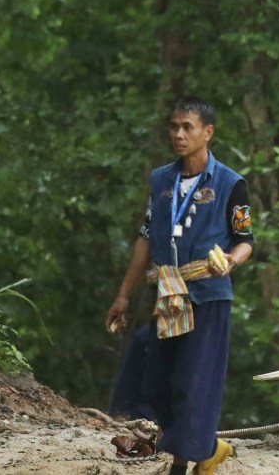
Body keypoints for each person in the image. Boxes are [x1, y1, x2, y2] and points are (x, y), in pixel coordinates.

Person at [105, 97, 253, 475]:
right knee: (154, 369)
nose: (179, 134)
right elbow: (144, 237)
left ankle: (181, 465)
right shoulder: (162, 180)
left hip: (208, 294)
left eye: (187, 127)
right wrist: (123, 293)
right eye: (174, 126)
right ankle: (208, 448)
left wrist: (231, 262)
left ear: (208, 132)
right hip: (168, 293)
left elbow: (245, 239)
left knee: (193, 379)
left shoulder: (230, 183)